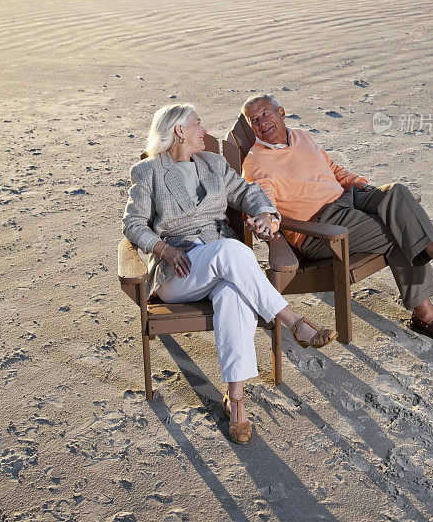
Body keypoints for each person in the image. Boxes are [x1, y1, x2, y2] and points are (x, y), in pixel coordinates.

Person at [122, 103, 337, 444]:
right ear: (179, 130)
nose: (204, 131)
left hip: (225, 266)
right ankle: (292, 320)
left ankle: (235, 401)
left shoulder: (214, 163)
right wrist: (163, 249)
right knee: (234, 251)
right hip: (179, 271)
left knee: (233, 293)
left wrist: (265, 214)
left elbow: (248, 193)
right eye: (197, 124)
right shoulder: (148, 172)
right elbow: (132, 225)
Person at [241, 95, 433, 346]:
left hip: (347, 198)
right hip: (321, 228)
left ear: (281, 112)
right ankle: (426, 315)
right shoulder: (256, 163)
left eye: (265, 114)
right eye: (254, 120)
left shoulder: (301, 136)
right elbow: (263, 200)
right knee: (399, 232)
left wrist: (360, 185)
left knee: (396, 192)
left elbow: (332, 169)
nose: (261, 123)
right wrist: (267, 220)